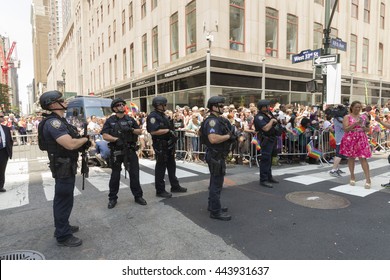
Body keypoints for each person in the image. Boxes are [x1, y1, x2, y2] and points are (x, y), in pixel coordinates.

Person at [38, 90, 90, 247]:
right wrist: (85, 139)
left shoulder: (61, 121)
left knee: (65, 199)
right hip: (63, 166)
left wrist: (80, 140)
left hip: (66, 164)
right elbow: (70, 144)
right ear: (53, 104)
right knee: (63, 200)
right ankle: (63, 235)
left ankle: (63, 226)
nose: (66, 101)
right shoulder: (54, 123)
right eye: (62, 99)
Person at [101, 98, 147, 209]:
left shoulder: (130, 119)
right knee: (115, 176)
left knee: (134, 175)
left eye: (122, 104)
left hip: (130, 150)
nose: (121, 106)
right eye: (119, 105)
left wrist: (130, 129)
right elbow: (104, 135)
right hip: (117, 151)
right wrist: (115, 139)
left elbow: (139, 131)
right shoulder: (110, 120)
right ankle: (112, 198)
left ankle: (138, 196)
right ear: (114, 108)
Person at [200, 96, 235, 221]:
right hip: (215, 155)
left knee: (215, 182)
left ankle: (212, 206)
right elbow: (213, 139)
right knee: (216, 184)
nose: (223, 108)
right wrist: (228, 136)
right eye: (220, 106)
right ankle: (215, 211)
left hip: (218, 155)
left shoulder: (219, 120)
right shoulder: (212, 121)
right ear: (213, 107)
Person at [146, 96, 187, 198]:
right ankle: (160, 190)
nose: (165, 106)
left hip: (169, 144)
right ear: (158, 105)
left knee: (171, 166)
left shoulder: (164, 116)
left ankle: (175, 186)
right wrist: (168, 131)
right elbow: (153, 131)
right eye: (164, 104)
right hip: (160, 145)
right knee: (161, 168)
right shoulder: (153, 117)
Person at [339, 101, 371, 189]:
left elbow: (368, 129)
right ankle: (352, 176)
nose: (358, 109)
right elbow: (345, 129)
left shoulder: (364, 117)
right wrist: (355, 124)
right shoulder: (347, 117)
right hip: (350, 138)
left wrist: (365, 128)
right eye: (356, 107)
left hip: (361, 138)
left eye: (359, 107)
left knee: (363, 158)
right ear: (352, 107)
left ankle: (368, 179)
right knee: (351, 157)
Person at [253, 100, 280, 188]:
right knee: (265, 160)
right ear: (262, 107)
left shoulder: (268, 114)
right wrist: (272, 121)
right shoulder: (259, 117)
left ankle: (269, 176)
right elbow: (265, 128)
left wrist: (274, 120)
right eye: (267, 106)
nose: (269, 107)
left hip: (272, 139)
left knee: (270, 159)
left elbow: (275, 122)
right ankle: (263, 179)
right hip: (266, 139)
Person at [0, 112, 13, 192]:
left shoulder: (6, 128)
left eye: (2, 116)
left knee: (2, 170)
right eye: (1, 116)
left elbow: (9, 140)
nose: (2, 117)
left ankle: (1, 186)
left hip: (4, 151)